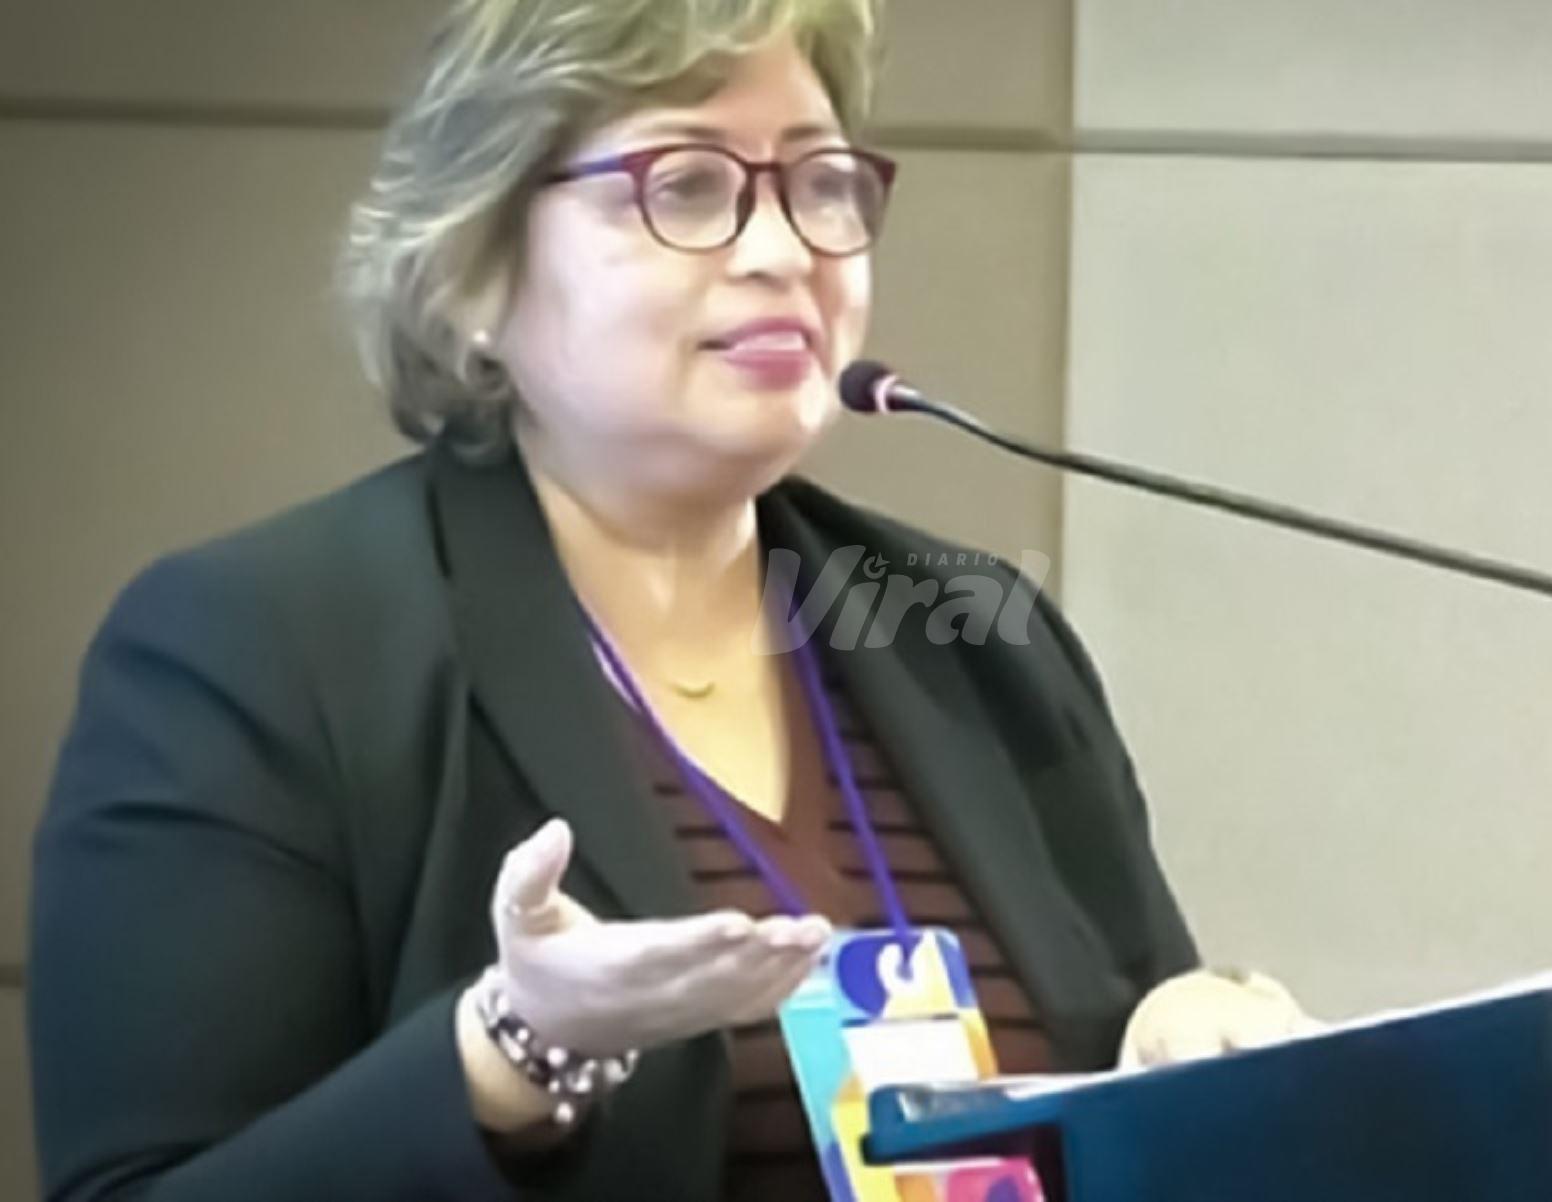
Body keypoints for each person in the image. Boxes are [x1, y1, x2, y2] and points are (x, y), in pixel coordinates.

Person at [28, 1, 1315, 1198]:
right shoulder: (258, 651)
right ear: (473, 267)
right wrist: (513, 1051)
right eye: (687, 184)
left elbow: (1134, 1058)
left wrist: (1181, 1033)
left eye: (820, 182)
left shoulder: (977, 633)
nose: (783, 250)